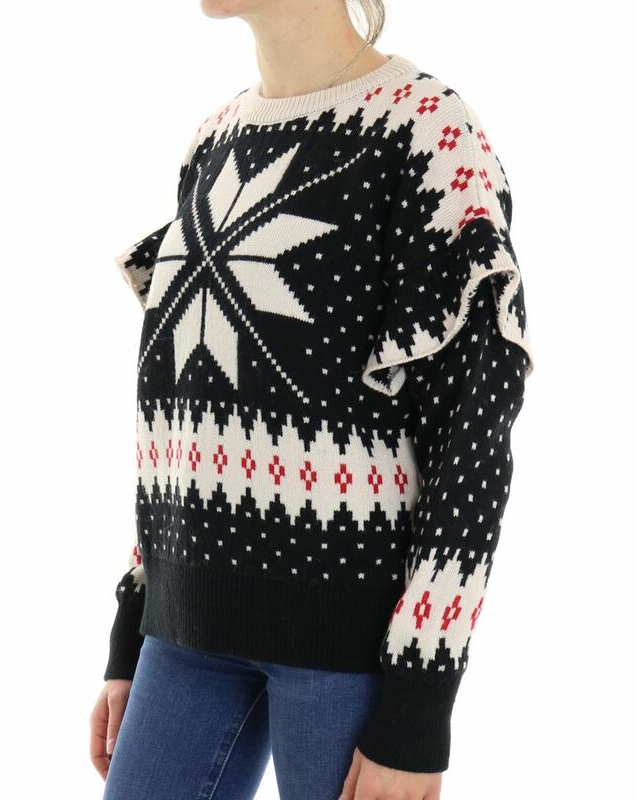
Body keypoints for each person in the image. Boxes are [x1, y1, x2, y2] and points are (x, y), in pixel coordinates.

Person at [89, 1, 534, 798]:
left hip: (346, 647)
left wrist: (418, 708)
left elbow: (472, 439)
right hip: (183, 633)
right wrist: (134, 629)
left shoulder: (426, 132)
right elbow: (182, 415)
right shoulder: (215, 140)